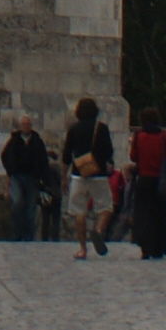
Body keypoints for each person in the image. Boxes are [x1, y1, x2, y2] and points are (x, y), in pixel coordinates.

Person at [61, 97, 116, 257]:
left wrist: (64, 177)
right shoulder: (102, 128)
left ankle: (82, 249)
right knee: (106, 207)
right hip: (98, 173)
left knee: (79, 212)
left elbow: (66, 155)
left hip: (79, 174)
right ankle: (98, 230)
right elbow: (109, 151)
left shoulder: (74, 129)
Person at [125, 105, 166, 260]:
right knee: (160, 214)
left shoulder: (138, 136)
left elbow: (133, 157)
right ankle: (159, 247)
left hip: (144, 179)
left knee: (143, 214)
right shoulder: (164, 136)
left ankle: (145, 247)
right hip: (160, 180)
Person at [0, 111, 54, 242]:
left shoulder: (37, 141)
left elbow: (43, 161)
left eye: (28, 124)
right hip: (17, 176)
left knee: (31, 207)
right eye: (23, 124)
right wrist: (10, 170)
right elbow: (5, 155)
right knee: (17, 202)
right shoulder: (14, 141)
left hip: (32, 177)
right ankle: (17, 233)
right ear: (20, 126)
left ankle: (29, 236)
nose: (26, 126)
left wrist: (44, 180)